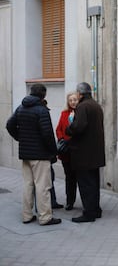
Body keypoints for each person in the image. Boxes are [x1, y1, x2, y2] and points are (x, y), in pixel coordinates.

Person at [6, 83, 62, 226]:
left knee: (27, 185)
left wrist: (21, 138)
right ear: (43, 95)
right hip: (40, 155)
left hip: (26, 153)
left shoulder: (21, 107)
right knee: (43, 186)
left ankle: (27, 215)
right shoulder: (41, 110)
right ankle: (45, 217)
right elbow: (47, 134)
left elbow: (9, 125)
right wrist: (53, 152)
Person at [66, 82, 105, 223]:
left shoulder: (83, 107)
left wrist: (69, 127)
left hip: (84, 153)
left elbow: (78, 127)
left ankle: (89, 213)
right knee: (94, 183)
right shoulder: (95, 105)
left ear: (80, 93)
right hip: (95, 153)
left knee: (85, 184)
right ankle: (95, 210)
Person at [56, 91, 79, 210]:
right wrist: (61, 139)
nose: (73, 102)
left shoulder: (82, 113)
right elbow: (59, 129)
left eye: (75, 99)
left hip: (78, 152)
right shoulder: (64, 113)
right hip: (66, 152)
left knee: (79, 178)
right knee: (69, 178)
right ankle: (70, 201)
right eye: (70, 100)